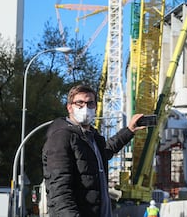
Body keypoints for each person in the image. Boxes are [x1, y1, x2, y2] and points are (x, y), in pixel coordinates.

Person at [42, 84, 146, 217]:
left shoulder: (93, 138)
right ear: (69, 107)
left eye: (90, 103)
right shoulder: (61, 137)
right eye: (79, 103)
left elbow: (106, 151)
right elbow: (59, 188)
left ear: (95, 108)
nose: (85, 107)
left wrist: (129, 130)